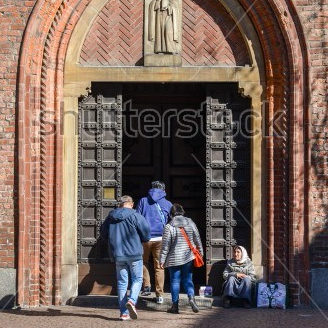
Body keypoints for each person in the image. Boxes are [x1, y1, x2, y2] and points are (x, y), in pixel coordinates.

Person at [100, 195, 150, 321]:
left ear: (120, 204)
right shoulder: (136, 216)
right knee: (137, 279)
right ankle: (132, 300)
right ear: (131, 204)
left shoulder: (110, 217)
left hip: (118, 254)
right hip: (134, 253)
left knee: (122, 283)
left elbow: (103, 234)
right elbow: (146, 233)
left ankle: (124, 313)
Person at [159, 203, 203, 314]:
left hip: (173, 259)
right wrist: (200, 252)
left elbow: (165, 246)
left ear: (171, 214)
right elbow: (197, 238)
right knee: (188, 280)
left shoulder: (169, 226)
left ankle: (175, 306)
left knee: (175, 282)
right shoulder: (190, 223)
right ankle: (192, 299)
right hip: (188, 257)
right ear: (182, 212)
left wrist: (162, 260)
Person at [136, 181, 172, 304]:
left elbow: (138, 218)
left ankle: (146, 286)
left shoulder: (143, 201)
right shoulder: (168, 203)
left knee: (143, 262)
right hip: (161, 239)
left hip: (145, 238)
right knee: (160, 267)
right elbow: (171, 222)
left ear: (151, 189)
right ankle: (159, 294)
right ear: (164, 190)